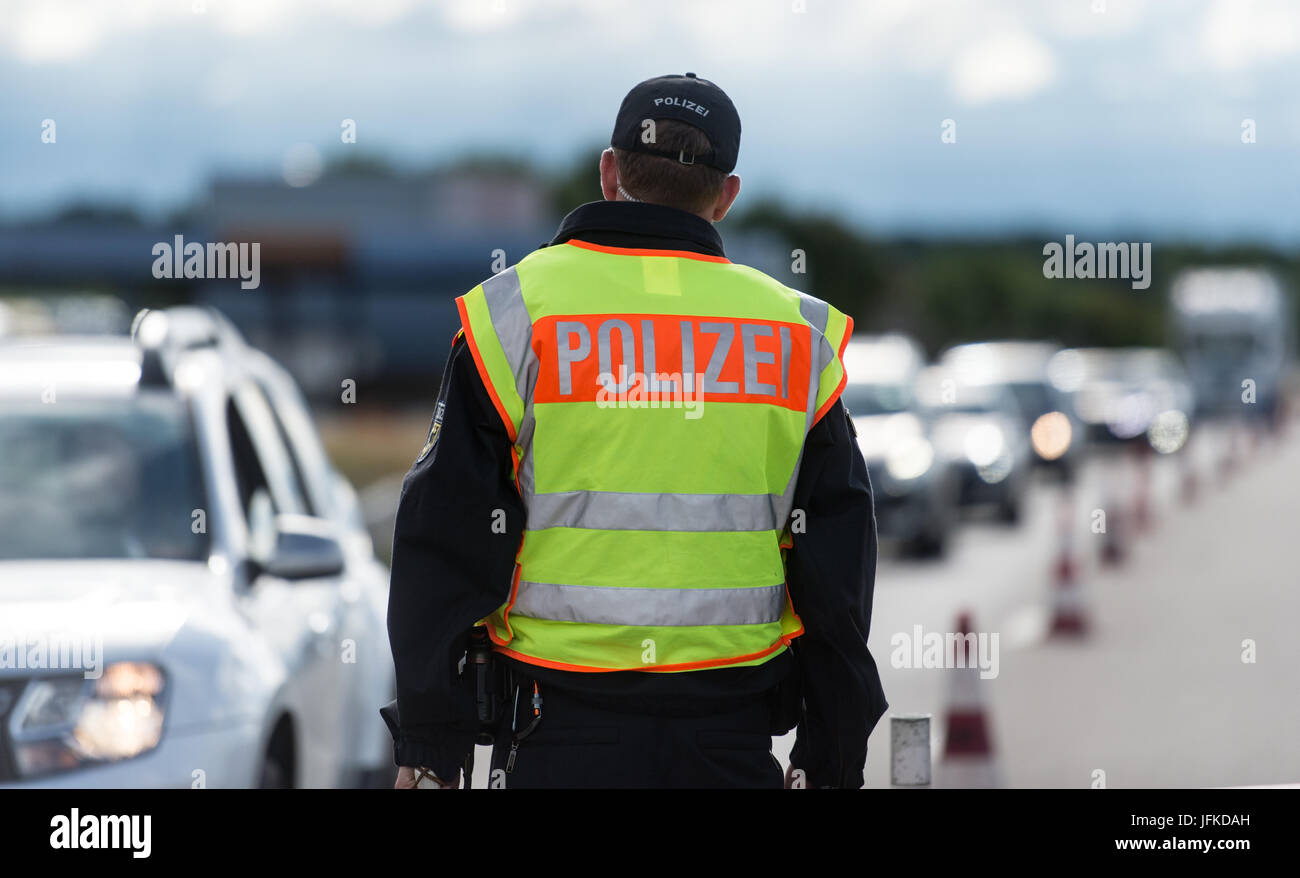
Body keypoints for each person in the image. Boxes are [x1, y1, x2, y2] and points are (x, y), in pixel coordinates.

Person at [384, 72, 886, 789]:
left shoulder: (517, 315)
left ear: (610, 171)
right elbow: (837, 558)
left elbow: (444, 531)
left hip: (558, 729)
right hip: (729, 738)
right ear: (725, 194)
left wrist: (431, 743)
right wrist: (830, 750)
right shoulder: (795, 335)